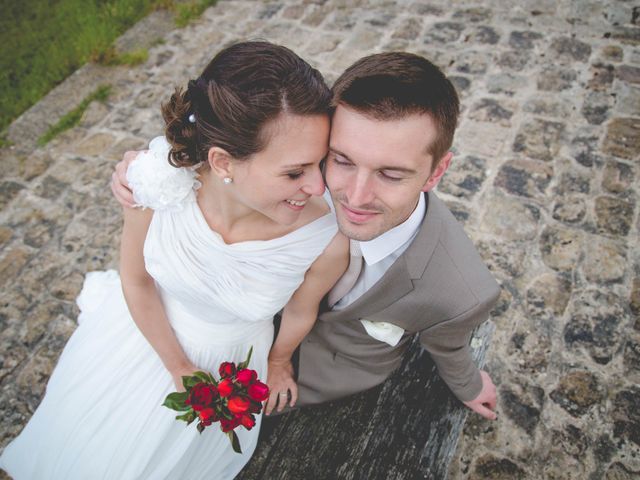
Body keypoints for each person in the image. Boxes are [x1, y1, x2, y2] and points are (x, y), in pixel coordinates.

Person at [0, 41, 348, 480]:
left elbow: (301, 310)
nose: (318, 188)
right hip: (141, 335)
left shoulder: (325, 239)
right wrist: (179, 368)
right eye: (295, 172)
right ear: (223, 161)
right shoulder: (158, 183)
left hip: (231, 365)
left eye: (323, 162)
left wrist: (278, 363)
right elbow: (137, 279)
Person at [111, 52, 501, 421]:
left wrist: (468, 386)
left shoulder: (460, 291)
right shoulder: (296, 175)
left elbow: (448, 341)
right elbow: (253, 136)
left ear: (436, 173)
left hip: (325, 380)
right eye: (341, 160)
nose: (354, 196)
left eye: (391, 175)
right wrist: (148, 172)